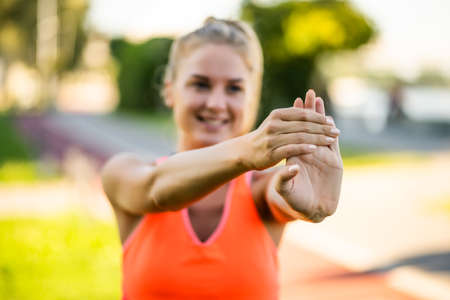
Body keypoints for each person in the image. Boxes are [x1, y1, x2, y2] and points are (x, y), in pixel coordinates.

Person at [101, 17, 343, 300]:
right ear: (170, 90)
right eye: (201, 85)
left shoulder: (262, 190)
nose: (216, 103)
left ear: (252, 98)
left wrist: (310, 206)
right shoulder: (124, 172)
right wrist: (247, 150)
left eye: (234, 88)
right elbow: (156, 190)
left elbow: (283, 193)